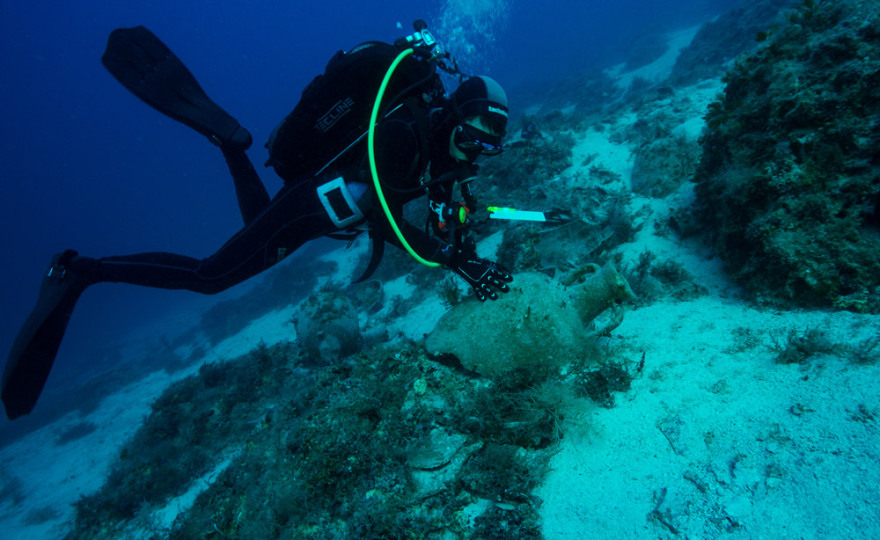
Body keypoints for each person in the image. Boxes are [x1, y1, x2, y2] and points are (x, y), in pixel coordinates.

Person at [1, 24, 513, 419]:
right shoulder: (405, 134)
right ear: (456, 112)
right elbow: (384, 217)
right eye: (477, 133)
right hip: (309, 207)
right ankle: (84, 270)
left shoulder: (440, 150)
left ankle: (232, 143)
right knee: (210, 276)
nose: (478, 149)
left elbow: (441, 215)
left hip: (315, 208)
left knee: (252, 223)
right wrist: (458, 263)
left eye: (490, 143)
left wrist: (462, 248)